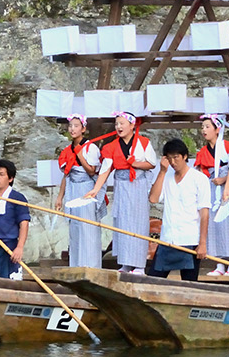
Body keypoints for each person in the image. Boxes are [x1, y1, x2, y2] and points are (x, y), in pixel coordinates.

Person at [146, 138, 210, 281]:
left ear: (185, 156)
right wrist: (162, 172)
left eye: (176, 157)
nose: (173, 162)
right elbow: (153, 199)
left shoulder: (199, 178)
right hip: (168, 238)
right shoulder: (166, 177)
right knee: (153, 281)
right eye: (170, 158)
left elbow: (204, 213)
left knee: (189, 285)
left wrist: (202, 244)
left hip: (190, 239)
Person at [104, 111, 158, 275]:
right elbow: (106, 169)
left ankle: (139, 265)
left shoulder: (143, 142)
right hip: (121, 185)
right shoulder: (113, 145)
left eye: (122, 123)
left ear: (132, 125)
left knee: (138, 223)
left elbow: (151, 163)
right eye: (116, 124)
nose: (119, 127)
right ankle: (126, 263)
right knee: (122, 221)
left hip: (137, 185)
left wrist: (135, 163)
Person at [53, 115, 109, 268]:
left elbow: (92, 171)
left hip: (86, 189)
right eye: (70, 126)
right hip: (72, 189)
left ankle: (91, 266)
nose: (72, 129)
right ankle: (76, 265)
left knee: (88, 228)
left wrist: (79, 155)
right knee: (75, 229)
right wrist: (60, 197)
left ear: (83, 129)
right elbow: (66, 174)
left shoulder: (90, 148)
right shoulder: (66, 150)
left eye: (76, 126)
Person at [193, 116, 229, 274]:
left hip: (227, 188)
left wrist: (225, 179)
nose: (203, 130)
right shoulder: (203, 152)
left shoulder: (228, 146)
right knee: (213, 224)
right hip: (211, 188)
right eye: (203, 127)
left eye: (207, 126)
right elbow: (199, 171)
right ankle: (218, 263)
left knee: (228, 224)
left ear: (217, 129)